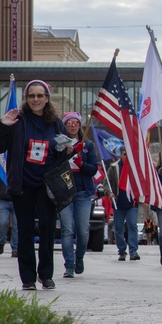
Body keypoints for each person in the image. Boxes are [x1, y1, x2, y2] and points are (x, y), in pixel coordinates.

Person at [0, 79, 67, 291]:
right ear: (27, 98)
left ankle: (46, 274)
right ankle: (28, 278)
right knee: (24, 231)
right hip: (22, 184)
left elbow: (62, 152)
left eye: (40, 96)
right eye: (32, 96)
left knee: (47, 229)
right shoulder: (18, 120)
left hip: (47, 185)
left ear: (47, 98)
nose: (35, 99)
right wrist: (2, 126)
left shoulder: (56, 123)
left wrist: (70, 150)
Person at [57, 112, 99, 278]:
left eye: (76, 122)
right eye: (69, 122)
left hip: (83, 192)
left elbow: (93, 169)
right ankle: (69, 265)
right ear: (65, 125)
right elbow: (55, 164)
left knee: (83, 231)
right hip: (65, 193)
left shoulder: (87, 145)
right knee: (67, 230)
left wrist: (82, 163)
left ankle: (79, 256)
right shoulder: (60, 144)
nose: (73, 125)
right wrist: (73, 151)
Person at [108, 147, 140, 262]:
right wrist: (110, 193)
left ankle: (133, 251)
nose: (126, 156)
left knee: (132, 225)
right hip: (119, 202)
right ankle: (121, 250)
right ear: (120, 155)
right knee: (118, 227)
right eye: (124, 154)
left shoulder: (135, 168)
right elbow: (107, 182)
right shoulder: (114, 167)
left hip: (132, 203)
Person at [0, 172, 18, 257]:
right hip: (2, 198)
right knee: (2, 222)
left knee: (17, 225)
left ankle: (15, 248)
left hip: (18, 197)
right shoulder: (0, 165)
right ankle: (1, 241)